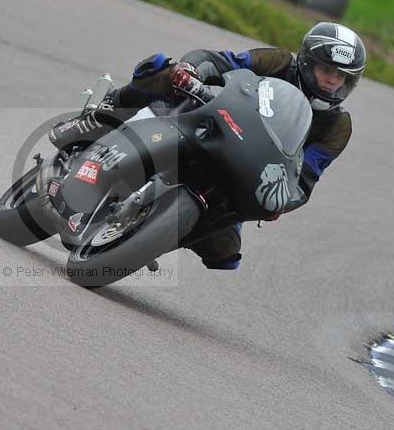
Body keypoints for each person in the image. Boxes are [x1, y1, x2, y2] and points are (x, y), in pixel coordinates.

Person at [49, 22, 366, 271]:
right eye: (327, 70)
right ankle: (105, 114)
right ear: (308, 62)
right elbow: (221, 61)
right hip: (214, 122)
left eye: (341, 77)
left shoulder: (338, 127)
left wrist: (281, 201)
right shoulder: (279, 62)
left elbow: (306, 179)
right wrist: (192, 71)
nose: (332, 81)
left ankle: (146, 234)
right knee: (163, 70)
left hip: (248, 172)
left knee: (225, 252)